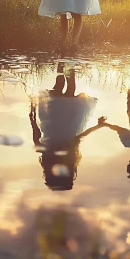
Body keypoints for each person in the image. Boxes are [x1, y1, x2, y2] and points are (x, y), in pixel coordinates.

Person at [29, 62, 106, 191]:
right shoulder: (54, 157)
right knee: (61, 88)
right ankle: (63, 62)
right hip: (54, 121)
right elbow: (37, 139)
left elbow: (80, 137)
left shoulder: (68, 158)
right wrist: (32, 120)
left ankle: (67, 62)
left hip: (66, 122)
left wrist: (98, 126)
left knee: (69, 89)